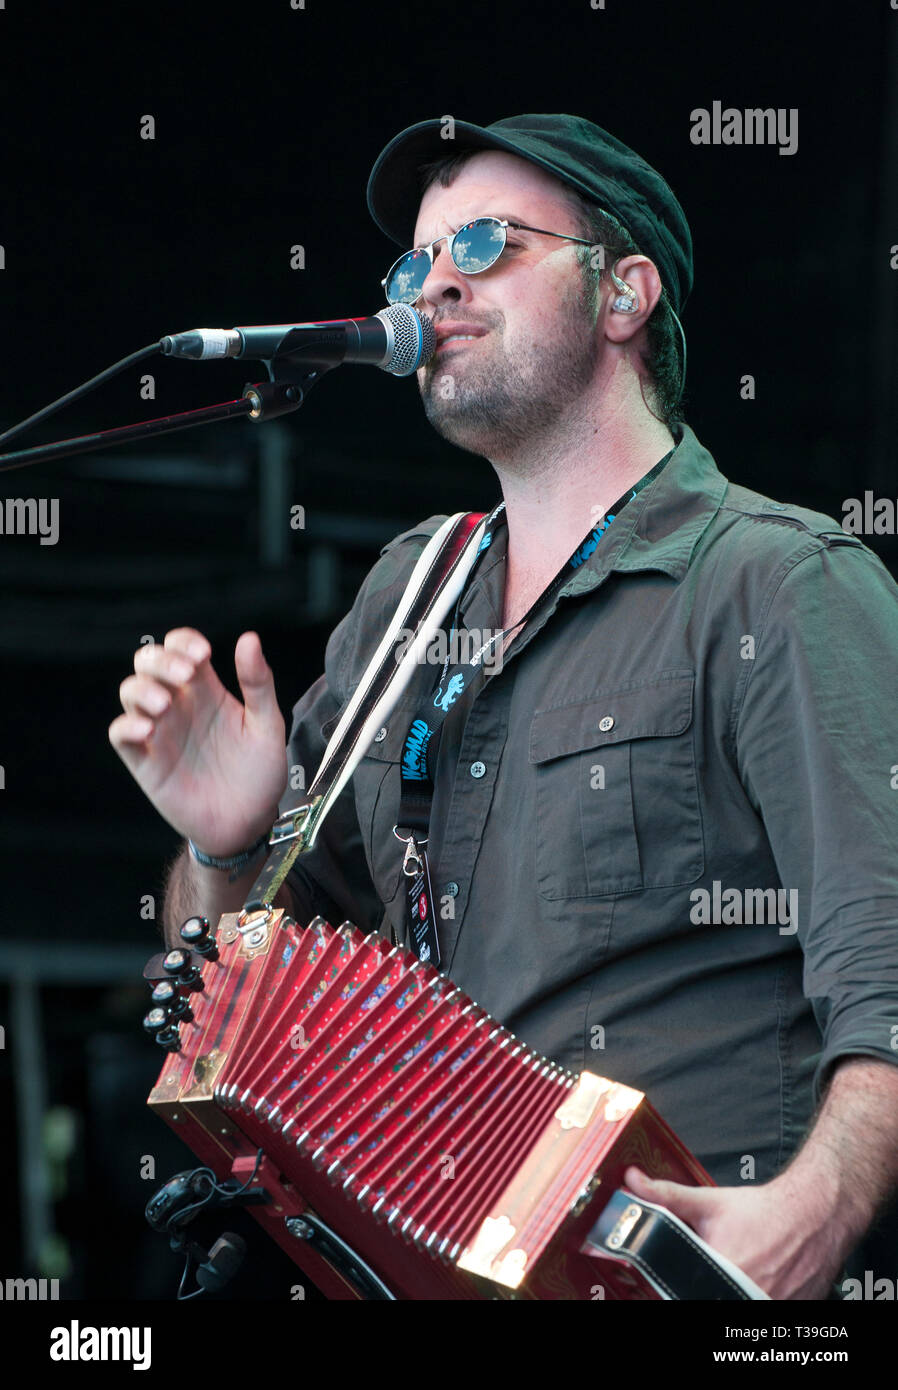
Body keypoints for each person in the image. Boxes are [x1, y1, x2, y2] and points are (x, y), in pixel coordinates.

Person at [110, 115, 898, 1300]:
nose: (434, 285)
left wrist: (812, 1210)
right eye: (414, 263)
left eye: (482, 243)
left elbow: (885, 948)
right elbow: (237, 997)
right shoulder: (406, 605)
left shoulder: (775, 579)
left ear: (624, 292)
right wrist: (225, 840)